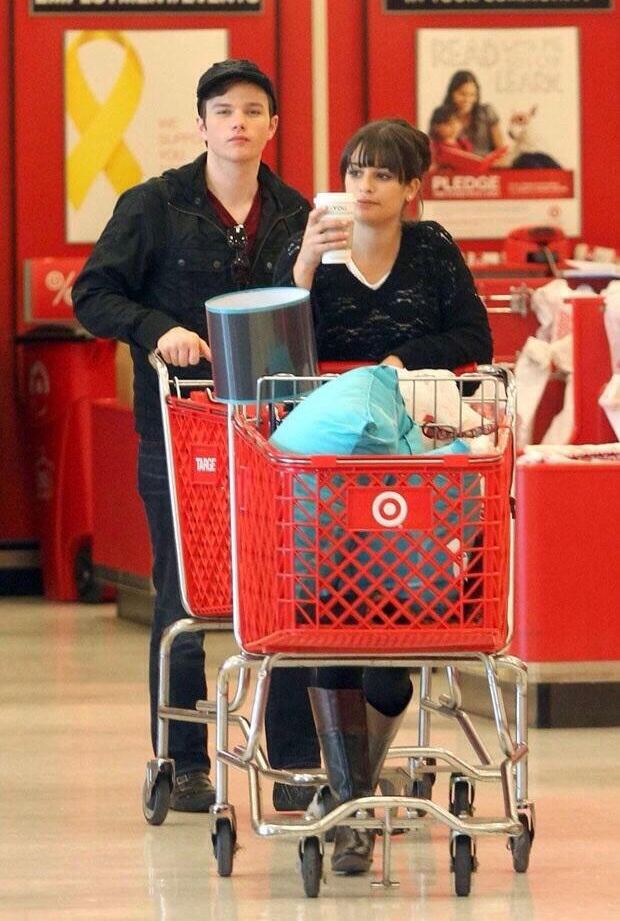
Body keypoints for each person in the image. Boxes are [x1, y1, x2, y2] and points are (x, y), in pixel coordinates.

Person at [72, 59, 319, 813]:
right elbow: (93, 294)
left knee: (285, 597)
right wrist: (158, 329)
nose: (238, 122)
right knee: (183, 597)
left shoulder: (296, 212)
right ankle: (182, 761)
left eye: (253, 110)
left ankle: (295, 761)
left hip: (276, 437)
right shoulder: (154, 205)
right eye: (223, 111)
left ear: (272, 126)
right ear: (203, 125)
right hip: (179, 438)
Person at [273, 117, 492, 874]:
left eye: (381, 174)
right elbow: (276, 348)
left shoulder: (432, 250)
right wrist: (302, 259)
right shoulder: (318, 249)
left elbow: (474, 337)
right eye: (355, 171)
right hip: (328, 471)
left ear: (410, 189)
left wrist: (397, 362)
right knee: (333, 624)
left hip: (413, 463)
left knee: (396, 638)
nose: (364, 186)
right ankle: (351, 813)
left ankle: (346, 800)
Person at [428, 103, 508, 174]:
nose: (454, 126)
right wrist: (500, 151)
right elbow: (478, 166)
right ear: (436, 126)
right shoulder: (439, 149)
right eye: (448, 123)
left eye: (457, 121)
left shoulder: (464, 143)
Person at [440, 70, 504, 156]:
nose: (468, 99)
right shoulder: (442, 116)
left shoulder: (486, 112)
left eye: (472, 95)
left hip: (485, 165)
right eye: (463, 94)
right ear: (452, 93)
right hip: (455, 166)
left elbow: (500, 149)